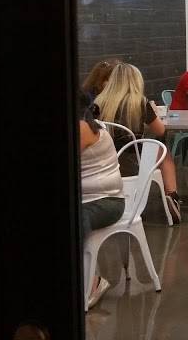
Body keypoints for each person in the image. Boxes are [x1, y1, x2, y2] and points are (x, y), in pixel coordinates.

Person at [94, 63, 182, 222]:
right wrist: (153, 115)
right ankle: (172, 195)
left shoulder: (99, 102)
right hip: (134, 160)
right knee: (163, 152)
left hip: (106, 159)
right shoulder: (139, 102)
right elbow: (160, 131)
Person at [78, 90, 124, 309]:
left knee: (75, 219)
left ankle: (92, 281)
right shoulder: (88, 123)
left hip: (106, 202)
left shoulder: (82, 128)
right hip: (92, 199)